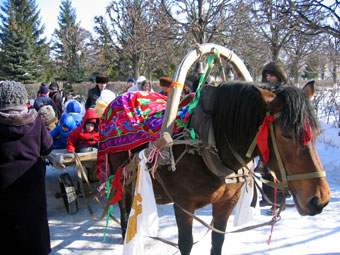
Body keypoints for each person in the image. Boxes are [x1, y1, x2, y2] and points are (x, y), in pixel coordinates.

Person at [0, 80, 53, 254]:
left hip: (4, 185)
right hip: (32, 183)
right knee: (34, 225)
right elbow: (47, 147)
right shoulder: (35, 121)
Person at [256, 60, 289, 215]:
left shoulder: (286, 93)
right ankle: (267, 197)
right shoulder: (262, 91)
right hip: (264, 134)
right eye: (266, 75)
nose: (269, 78)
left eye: (272, 75)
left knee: (277, 170)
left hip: (280, 136)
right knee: (265, 170)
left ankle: (277, 203)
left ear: (279, 77)